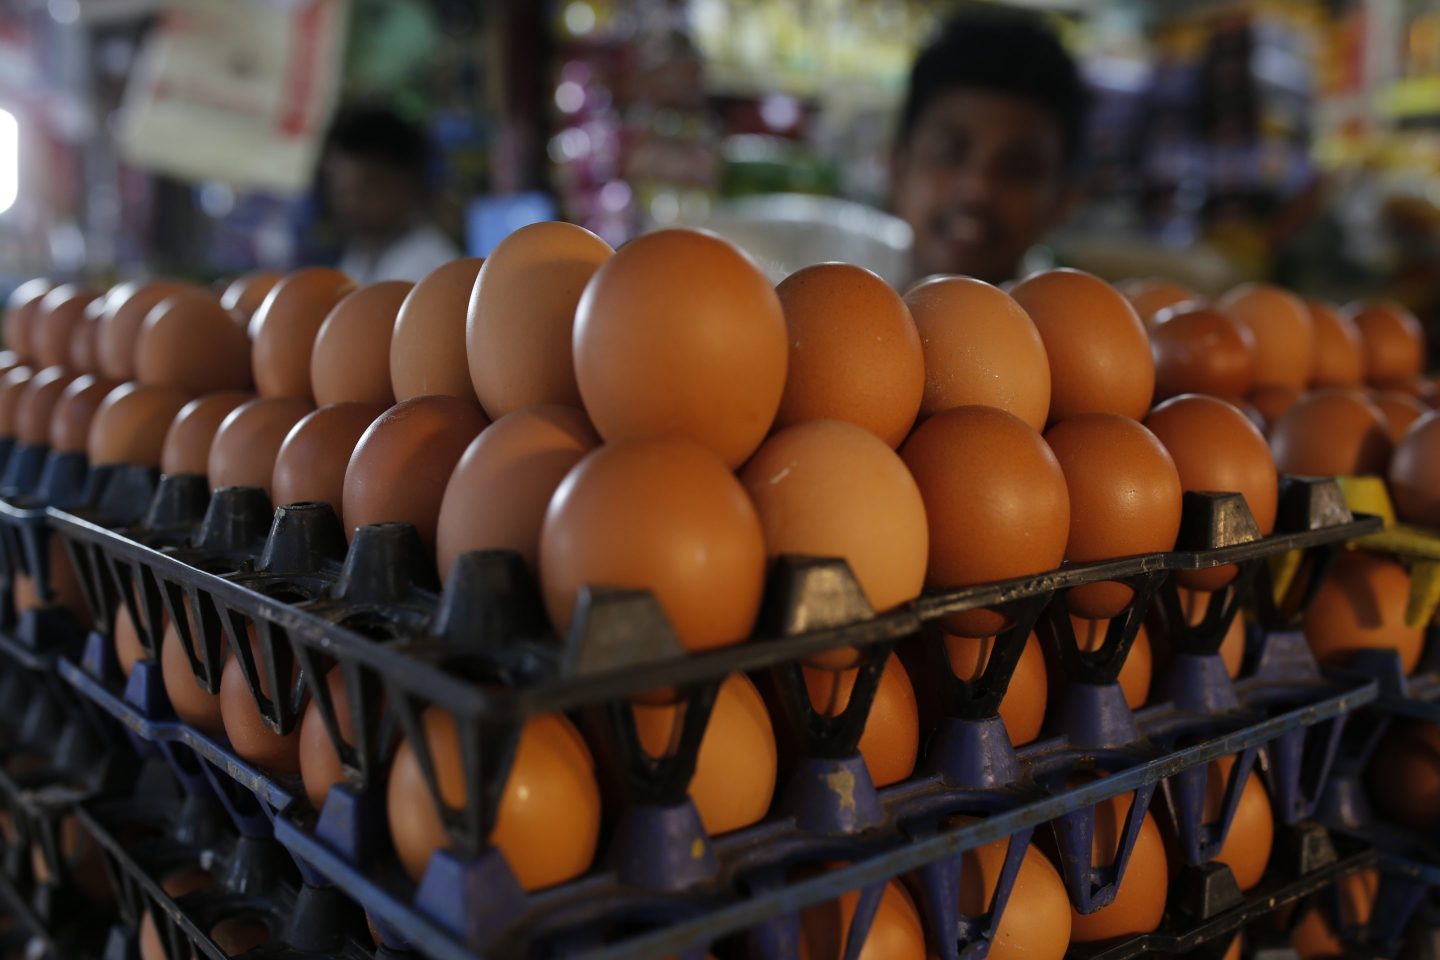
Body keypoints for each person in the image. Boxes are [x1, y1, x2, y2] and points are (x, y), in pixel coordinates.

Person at [890, 7, 1090, 286]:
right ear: (897, 169)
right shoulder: (827, 295)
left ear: (1063, 201)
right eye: (948, 154)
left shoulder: (1083, 324)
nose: (977, 188)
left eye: (1018, 169)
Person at [321, 105, 460, 283]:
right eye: (341, 193)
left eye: (366, 189)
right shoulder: (358, 258)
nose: (351, 204)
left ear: (408, 183)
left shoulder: (434, 270)